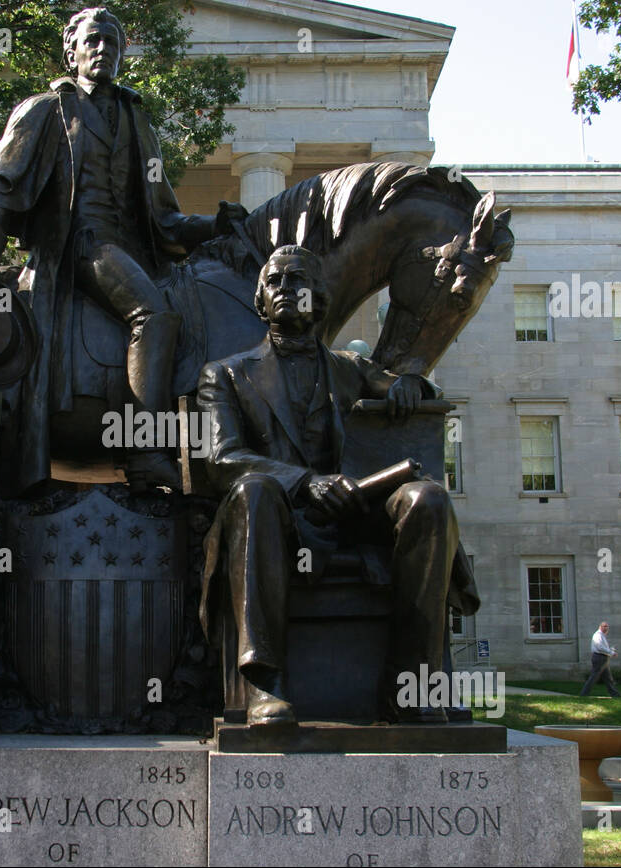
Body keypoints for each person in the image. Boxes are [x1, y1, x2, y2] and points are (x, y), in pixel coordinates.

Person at [0, 6, 247, 490]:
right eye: (92, 40)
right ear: (70, 50)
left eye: (112, 43)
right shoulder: (46, 109)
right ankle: (144, 450)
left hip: (133, 249)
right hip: (78, 246)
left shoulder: (136, 118)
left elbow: (165, 217)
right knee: (154, 314)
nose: (102, 50)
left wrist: (216, 224)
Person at [196, 245, 479, 726]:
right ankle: (265, 685)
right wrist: (306, 484)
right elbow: (220, 459)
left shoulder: (350, 368)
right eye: (276, 281)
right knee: (254, 490)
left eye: (299, 280)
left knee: (428, 500)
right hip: (274, 521)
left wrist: (411, 384)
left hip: (350, 518)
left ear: (319, 300)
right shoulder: (224, 375)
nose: (286, 289)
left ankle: (410, 685)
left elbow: (405, 387)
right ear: (261, 302)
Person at [579, 621, 621, 697]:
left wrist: (610, 650)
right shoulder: (598, 635)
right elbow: (600, 647)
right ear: (600, 627)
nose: (606, 628)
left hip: (603, 658)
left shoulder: (602, 636)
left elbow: (603, 648)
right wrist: (611, 653)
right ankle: (584, 694)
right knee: (594, 677)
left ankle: (615, 694)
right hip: (599, 658)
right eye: (604, 626)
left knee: (608, 678)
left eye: (607, 626)